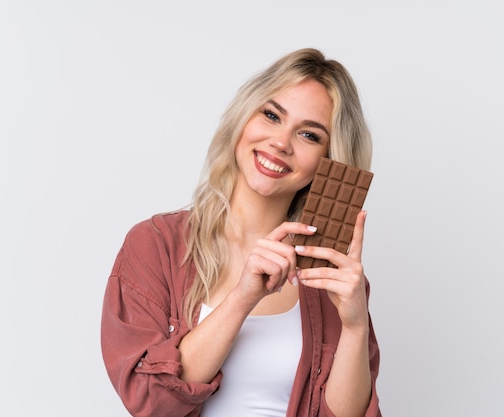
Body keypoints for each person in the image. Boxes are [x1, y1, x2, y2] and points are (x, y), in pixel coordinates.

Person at [101, 48, 382, 417]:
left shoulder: (332, 277)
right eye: (271, 115)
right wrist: (243, 297)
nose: (281, 143)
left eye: (309, 135)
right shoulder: (155, 245)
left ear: (328, 162)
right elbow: (150, 403)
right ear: (243, 118)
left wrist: (355, 326)